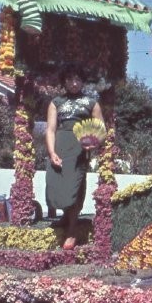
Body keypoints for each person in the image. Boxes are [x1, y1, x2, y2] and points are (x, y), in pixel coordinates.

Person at [45, 66, 103, 250]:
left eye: (78, 79)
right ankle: (65, 217)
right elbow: (51, 129)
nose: (74, 83)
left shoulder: (91, 102)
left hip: (79, 148)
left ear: (83, 82)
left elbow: (101, 129)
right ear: (64, 82)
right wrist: (52, 152)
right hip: (60, 146)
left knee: (74, 187)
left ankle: (72, 230)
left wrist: (93, 144)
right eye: (70, 79)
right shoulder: (56, 102)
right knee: (55, 185)